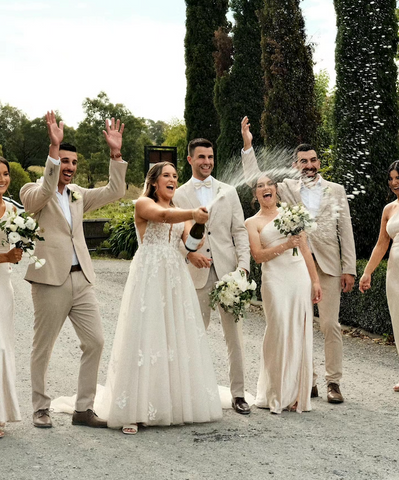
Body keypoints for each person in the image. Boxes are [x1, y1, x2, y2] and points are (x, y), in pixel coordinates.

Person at [96, 161, 222, 434]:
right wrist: (192, 213)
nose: (172, 179)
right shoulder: (142, 203)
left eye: (175, 176)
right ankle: (133, 409)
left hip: (174, 274)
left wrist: (196, 239)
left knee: (173, 332)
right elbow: (161, 217)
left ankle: (173, 403)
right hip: (149, 273)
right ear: (154, 181)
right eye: (167, 175)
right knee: (145, 333)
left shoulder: (181, 212)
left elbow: (188, 241)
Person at [20, 111, 127, 429]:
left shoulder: (79, 195)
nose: (69, 167)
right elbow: (41, 193)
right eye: (63, 161)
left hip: (82, 279)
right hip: (48, 279)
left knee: (94, 341)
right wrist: (53, 147)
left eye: (72, 163)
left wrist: (116, 154)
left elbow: (115, 192)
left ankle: (83, 409)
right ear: (54, 160)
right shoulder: (32, 192)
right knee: (44, 346)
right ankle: (40, 407)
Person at [241, 116, 356, 404]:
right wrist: (248, 147)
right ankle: (310, 381)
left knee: (330, 324)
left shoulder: (337, 190)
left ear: (319, 162)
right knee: (301, 322)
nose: (309, 165)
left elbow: (347, 232)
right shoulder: (288, 188)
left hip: (329, 265)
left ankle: (334, 383)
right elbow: (257, 179)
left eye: (313, 160)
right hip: (297, 266)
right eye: (303, 161)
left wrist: (349, 268)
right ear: (295, 165)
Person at [173, 139, 251, 415]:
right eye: (201, 157)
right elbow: (174, 233)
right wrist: (188, 254)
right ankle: (192, 393)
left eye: (211, 156)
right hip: (196, 275)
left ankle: (239, 394)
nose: (207, 161)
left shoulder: (228, 191)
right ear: (189, 159)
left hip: (229, 273)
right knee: (194, 335)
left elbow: (239, 231)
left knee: (235, 338)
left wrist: (243, 267)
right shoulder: (179, 194)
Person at [245, 174, 322, 413]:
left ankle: (297, 394)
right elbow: (258, 256)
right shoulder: (252, 222)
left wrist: (315, 281)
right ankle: (276, 393)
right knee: (278, 330)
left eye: (269, 184)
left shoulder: (293, 213)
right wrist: (285, 245)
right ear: (256, 194)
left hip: (299, 277)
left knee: (300, 331)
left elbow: (306, 250)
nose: (265, 188)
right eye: (260, 186)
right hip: (274, 279)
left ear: (276, 190)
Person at [359, 161, 399, 391]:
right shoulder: (389, 209)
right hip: (394, 270)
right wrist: (367, 272)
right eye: (391, 178)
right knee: (398, 319)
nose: (394, 183)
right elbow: (382, 243)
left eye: (398, 178)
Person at [0, 157, 23, 438]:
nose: (3, 179)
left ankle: (1, 413)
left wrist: (20, 251)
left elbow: (22, 243)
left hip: (3, 284)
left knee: (4, 346)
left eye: (5, 174)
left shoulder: (15, 211)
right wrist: (5, 255)